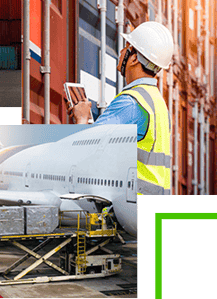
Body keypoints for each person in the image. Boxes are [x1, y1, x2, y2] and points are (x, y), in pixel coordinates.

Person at [67, 22, 174, 196]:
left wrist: (81, 118)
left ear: (133, 59)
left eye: (126, 47)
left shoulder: (131, 102)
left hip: (134, 210)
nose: (121, 52)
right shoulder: (158, 103)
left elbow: (85, 153)